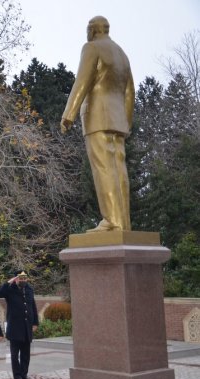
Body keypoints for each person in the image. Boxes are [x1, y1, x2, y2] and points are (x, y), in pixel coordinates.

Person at [61, 16, 135, 232]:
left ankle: (111, 221)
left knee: (103, 168)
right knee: (119, 170)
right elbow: (130, 91)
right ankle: (123, 223)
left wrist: (69, 113)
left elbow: (82, 80)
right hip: (117, 119)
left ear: (92, 30)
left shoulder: (92, 48)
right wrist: (126, 121)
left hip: (97, 116)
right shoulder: (122, 54)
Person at [0, 271, 39, 379]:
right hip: (15, 327)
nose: (23, 280)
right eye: (20, 278)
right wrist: (9, 282)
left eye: (24, 278)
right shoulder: (10, 289)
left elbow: (32, 306)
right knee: (15, 355)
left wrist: (35, 323)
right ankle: (17, 376)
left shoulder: (29, 289)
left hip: (27, 327)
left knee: (26, 354)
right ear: (16, 279)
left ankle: (24, 374)